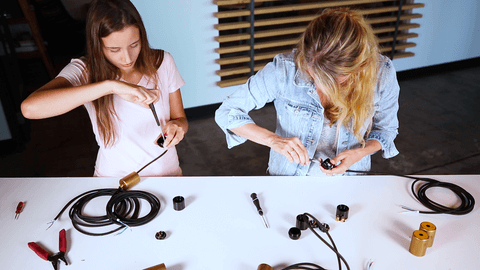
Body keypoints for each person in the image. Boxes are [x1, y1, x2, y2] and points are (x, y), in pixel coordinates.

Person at [215, 8, 400, 176]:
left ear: (359, 68)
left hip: (350, 177)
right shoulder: (284, 70)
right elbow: (226, 112)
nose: (323, 85)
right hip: (289, 178)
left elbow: (386, 130)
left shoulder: (382, 74)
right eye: (314, 73)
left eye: (334, 80)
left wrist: (359, 153)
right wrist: (273, 140)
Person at [21, 0, 188, 177]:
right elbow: (30, 108)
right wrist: (111, 87)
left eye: (134, 45)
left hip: (167, 174)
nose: (127, 58)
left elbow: (181, 119)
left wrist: (178, 127)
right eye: (114, 49)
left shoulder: (163, 61)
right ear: (98, 45)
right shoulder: (85, 71)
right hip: (112, 180)